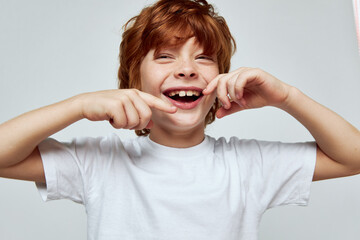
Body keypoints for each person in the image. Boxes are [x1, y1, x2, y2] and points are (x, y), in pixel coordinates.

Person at [0, 0, 359, 239]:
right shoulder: (100, 162)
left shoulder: (248, 165)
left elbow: (352, 156)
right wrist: (78, 105)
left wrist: (287, 97)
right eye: (166, 56)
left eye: (203, 58)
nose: (187, 69)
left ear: (221, 80)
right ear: (134, 80)